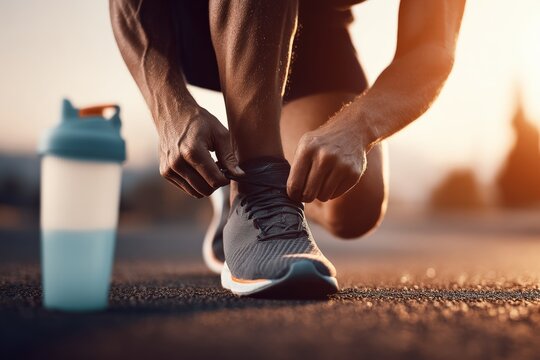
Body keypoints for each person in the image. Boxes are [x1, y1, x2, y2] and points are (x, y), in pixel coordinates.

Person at [110, 0, 465, 298]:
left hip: (314, 22)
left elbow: (432, 47)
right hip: (188, 17)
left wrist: (359, 126)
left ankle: (235, 198)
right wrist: (168, 107)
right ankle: (255, 190)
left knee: (353, 205)